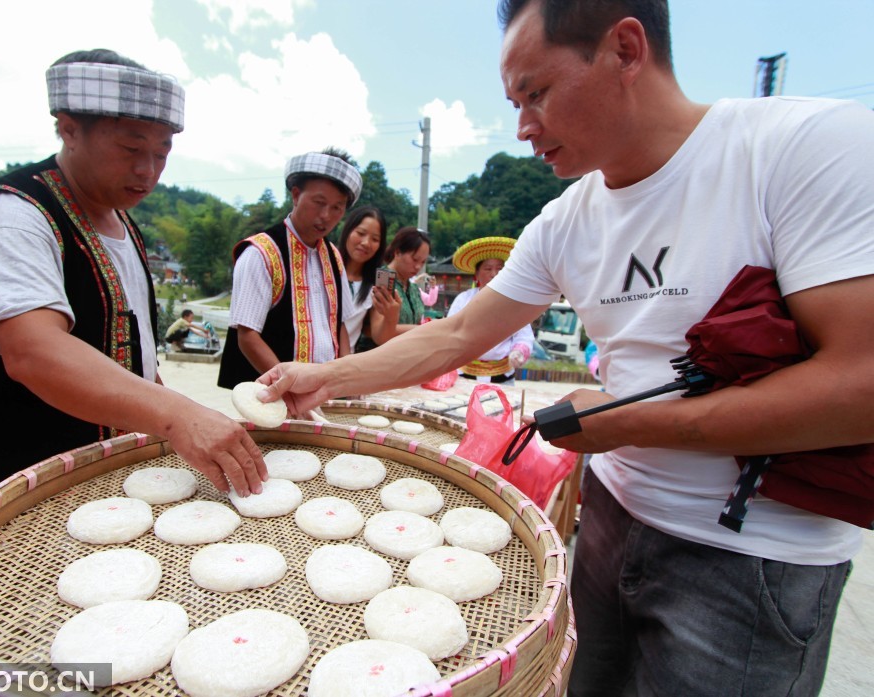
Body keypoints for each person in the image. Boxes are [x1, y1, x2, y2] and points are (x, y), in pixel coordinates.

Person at [256, 1, 874, 695]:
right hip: (608, 518)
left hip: (750, 560)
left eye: (537, 93)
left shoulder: (807, 149)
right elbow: (458, 334)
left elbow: (861, 385)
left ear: (626, 49)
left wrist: (625, 422)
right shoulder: (566, 220)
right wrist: (326, 378)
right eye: (516, 101)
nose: (522, 128)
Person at [0, 48, 266, 499]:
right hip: (34, 478)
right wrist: (177, 415)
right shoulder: (11, 215)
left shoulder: (122, 220)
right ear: (68, 128)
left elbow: (133, 346)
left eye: (161, 152)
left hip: (116, 469)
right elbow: (34, 351)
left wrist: (164, 416)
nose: (147, 170)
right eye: (131, 148)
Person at [217, 148, 362, 389]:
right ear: (296, 195)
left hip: (323, 391)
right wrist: (288, 387)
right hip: (272, 394)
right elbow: (247, 336)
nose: (326, 216)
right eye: (319, 202)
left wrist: (346, 379)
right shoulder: (261, 252)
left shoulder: (333, 256)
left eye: (337, 208)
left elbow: (341, 325)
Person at [447, 236, 532, 385]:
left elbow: (524, 336)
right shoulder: (463, 299)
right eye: (488, 269)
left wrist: (519, 351)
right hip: (465, 375)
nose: (494, 274)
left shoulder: (515, 302)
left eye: (499, 269)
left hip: (503, 377)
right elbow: (450, 331)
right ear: (477, 274)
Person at [355, 226, 431, 352]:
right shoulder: (383, 280)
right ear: (397, 252)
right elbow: (378, 333)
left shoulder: (413, 288)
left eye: (423, 262)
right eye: (414, 259)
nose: (418, 266)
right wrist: (420, 329)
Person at [336, 205, 400, 352]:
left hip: (344, 366)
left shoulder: (375, 285)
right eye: (360, 233)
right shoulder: (325, 267)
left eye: (375, 239)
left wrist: (391, 316)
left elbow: (380, 337)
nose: (366, 243)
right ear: (348, 231)